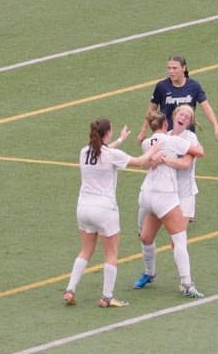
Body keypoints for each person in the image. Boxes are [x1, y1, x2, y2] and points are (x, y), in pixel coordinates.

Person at [65, 118, 161, 308]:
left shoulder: (84, 152)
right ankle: (107, 297)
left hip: (83, 208)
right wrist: (154, 148)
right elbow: (141, 162)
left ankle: (70, 290)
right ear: (107, 133)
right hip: (104, 210)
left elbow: (102, 152)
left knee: (85, 251)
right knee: (111, 253)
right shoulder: (111, 155)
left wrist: (119, 140)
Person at [132, 108, 205, 298]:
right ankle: (161, 276)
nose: (183, 118)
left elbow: (185, 164)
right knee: (157, 237)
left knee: (164, 238)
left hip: (173, 194)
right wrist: (157, 161)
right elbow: (148, 163)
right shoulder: (170, 138)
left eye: (187, 117)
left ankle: (179, 280)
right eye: (181, 114)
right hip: (165, 195)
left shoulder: (182, 139)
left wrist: (163, 159)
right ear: (170, 120)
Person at [136, 54, 218, 145]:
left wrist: (216, 128)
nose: (171, 71)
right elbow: (151, 110)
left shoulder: (194, 86)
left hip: (187, 136)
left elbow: (206, 108)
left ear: (184, 68)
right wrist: (143, 131)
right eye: (169, 68)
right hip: (167, 135)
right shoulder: (161, 86)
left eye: (175, 68)